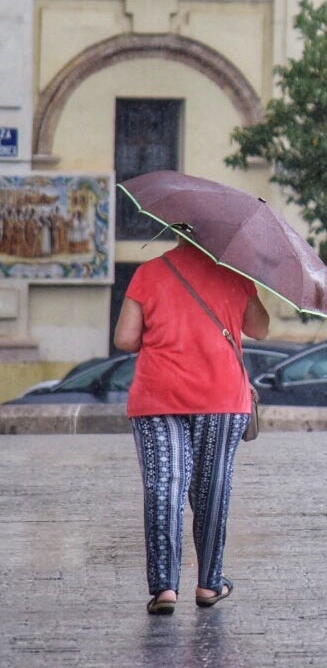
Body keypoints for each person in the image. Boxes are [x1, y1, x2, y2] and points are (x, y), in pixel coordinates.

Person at [113, 239, 270, 614]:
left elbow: (124, 339)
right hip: (221, 395)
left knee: (164, 486)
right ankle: (209, 584)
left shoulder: (148, 274)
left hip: (159, 395)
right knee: (212, 489)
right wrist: (250, 282)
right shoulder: (236, 274)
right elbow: (260, 329)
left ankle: (165, 588)